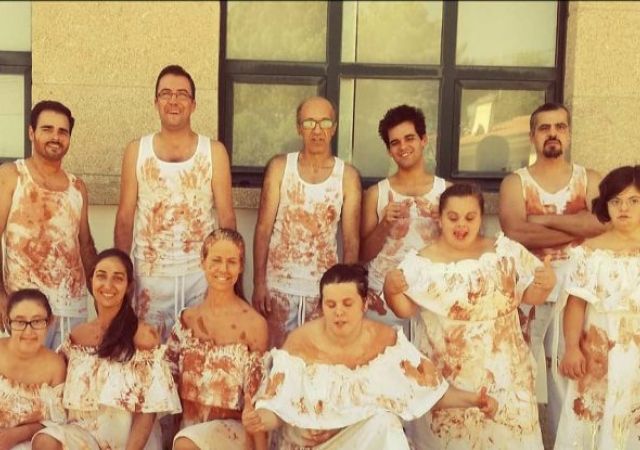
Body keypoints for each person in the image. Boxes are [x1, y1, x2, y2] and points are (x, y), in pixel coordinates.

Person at [242, 263, 498, 450]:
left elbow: (429, 391)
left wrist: (475, 400)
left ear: (364, 304)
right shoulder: (300, 342)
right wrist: (258, 420)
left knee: (385, 423)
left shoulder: (386, 341)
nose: (339, 312)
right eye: (331, 305)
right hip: (310, 446)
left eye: (347, 303)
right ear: (321, 306)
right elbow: (276, 408)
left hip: (361, 442)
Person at [384, 183, 556, 449]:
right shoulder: (419, 263)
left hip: (507, 374)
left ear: (481, 217)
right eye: (453, 218)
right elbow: (404, 310)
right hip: (450, 380)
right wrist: (391, 289)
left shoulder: (505, 252)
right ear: (440, 219)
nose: (461, 225)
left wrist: (545, 284)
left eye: (470, 217)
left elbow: (531, 296)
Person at [498, 102, 606, 436]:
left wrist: (543, 219)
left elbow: (601, 225)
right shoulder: (516, 183)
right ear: (532, 136)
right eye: (544, 128)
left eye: (560, 126)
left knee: (571, 374)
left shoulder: (589, 179)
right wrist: (578, 225)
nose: (552, 133)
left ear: (569, 134)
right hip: (531, 290)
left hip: (579, 292)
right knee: (525, 371)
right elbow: (516, 231)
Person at [114, 64, 236, 341]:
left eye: (182, 94)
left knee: (198, 351)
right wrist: (122, 274)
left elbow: (227, 219)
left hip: (200, 275)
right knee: (149, 351)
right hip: (150, 275)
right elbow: (124, 218)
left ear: (193, 104)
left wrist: (229, 276)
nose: (173, 100)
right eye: (166, 93)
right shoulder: (137, 151)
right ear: (155, 102)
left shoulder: (214, 152)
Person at [32, 248, 181, 450]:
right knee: (45, 440)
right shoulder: (78, 336)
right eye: (101, 276)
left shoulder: (143, 335)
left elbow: (149, 410)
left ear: (129, 286)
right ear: (91, 281)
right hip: (84, 438)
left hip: (129, 441)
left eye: (118, 278)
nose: (108, 285)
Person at [252, 96, 361, 348]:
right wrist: (259, 283)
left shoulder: (347, 176)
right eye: (309, 122)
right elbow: (263, 229)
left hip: (323, 293)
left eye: (324, 122)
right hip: (278, 288)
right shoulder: (280, 167)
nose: (317, 130)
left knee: (318, 361)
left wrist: (345, 294)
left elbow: (351, 241)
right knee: (276, 359)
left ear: (334, 128)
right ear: (299, 128)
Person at [555, 165, 640, 449]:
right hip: (601, 350)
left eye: (634, 200)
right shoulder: (590, 252)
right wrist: (571, 348)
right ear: (605, 205)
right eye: (616, 201)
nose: (624, 208)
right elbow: (576, 304)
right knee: (597, 417)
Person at [0, 100, 97, 348]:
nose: (55, 137)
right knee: (28, 374)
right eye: (47, 129)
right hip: (26, 311)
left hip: (71, 308)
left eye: (62, 131)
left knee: (67, 371)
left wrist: (101, 299)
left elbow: (85, 246)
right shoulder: (12, 176)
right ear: (31, 132)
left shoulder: (78, 188)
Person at [167, 229, 268, 450]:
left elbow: (256, 403)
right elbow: (168, 391)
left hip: (233, 434)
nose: (223, 269)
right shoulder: (186, 320)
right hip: (188, 429)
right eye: (216, 260)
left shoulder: (254, 324)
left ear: (241, 267)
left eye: (231, 262)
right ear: (202, 262)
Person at [360, 104, 449, 332]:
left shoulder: (446, 192)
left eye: (409, 138)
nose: (403, 147)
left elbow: (464, 251)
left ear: (423, 140)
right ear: (389, 151)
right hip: (383, 301)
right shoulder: (376, 194)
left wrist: (444, 222)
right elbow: (363, 254)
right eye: (395, 142)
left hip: (432, 298)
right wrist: (385, 224)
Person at [0, 289, 66, 449]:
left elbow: (57, 423)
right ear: (8, 322)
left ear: (49, 322)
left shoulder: (55, 366)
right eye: (20, 322)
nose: (28, 331)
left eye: (37, 321)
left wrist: (17, 434)